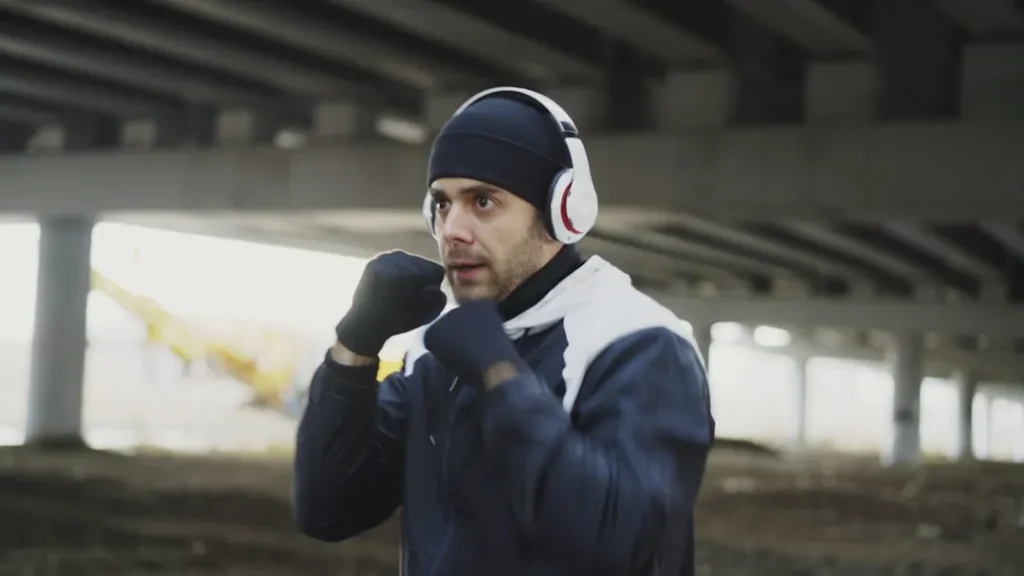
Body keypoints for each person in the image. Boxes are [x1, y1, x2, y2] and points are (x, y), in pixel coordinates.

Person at [293, 87, 715, 575]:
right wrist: (355, 349)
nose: (453, 228)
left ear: (562, 210)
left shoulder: (638, 345)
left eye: (483, 201)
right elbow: (328, 510)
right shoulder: (435, 354)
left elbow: (628, 542)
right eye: (442, 204)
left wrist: (501, 377)